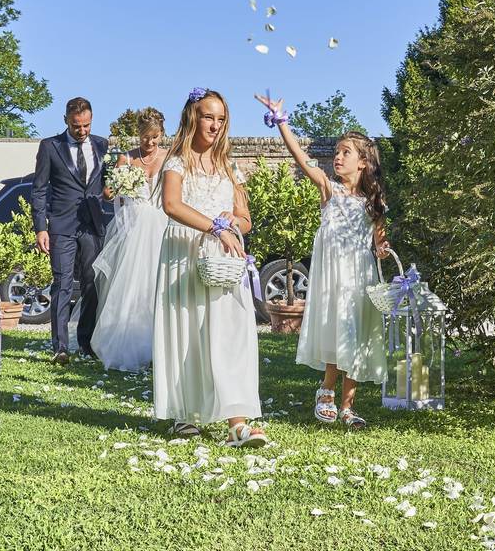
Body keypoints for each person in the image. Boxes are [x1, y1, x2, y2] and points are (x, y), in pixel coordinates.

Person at [257, 92, 389, 429]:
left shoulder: (372, 201)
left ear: (363, 162)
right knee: (338, 333)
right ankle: (325, 391)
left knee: (356, 337)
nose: (337, 158)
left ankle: (348, 405)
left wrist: (383, 248)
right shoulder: (328, 189)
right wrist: (282, 122)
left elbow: (379, 241)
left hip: (361, 276)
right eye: (336, 152)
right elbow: (301, 159)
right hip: (333, 277)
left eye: (346, 153)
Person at [151, 88, 267, 448]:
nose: (215, 125)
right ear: (193, 117)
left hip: (224, 260)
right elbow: (172, 205)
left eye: (220, 118)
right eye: (208, 116)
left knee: (230, 334)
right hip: (183, 255)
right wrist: (213, 226)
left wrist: (233, 222)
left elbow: (246, 219)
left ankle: (237, 422)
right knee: (187, 331)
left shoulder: (229, 166)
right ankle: (186, 414)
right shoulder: (177, 162)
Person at [90, 107, 169, 371]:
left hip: (160, 225)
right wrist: (116, 187)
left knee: (158, 286)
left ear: (161, 135)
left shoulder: (169, 158)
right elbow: (108, 194)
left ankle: (162, 347)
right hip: (134, 228)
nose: (150, 142)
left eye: (155, 137)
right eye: (146, 137)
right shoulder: (126, 159)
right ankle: (130, 345)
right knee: (132, 287)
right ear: (138, 134)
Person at [31, 97, 108, 363]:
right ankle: (60, 348)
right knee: (62, 284)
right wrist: (41, 228)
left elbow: (107, 186)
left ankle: (86, 343)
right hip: (61, 226)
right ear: (66, 121)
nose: (82, 130)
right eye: (77, 126)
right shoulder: (50, 147)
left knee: (91, 285)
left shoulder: (102, 145)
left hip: (92, 226)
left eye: (86, 125)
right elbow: (39, 190)